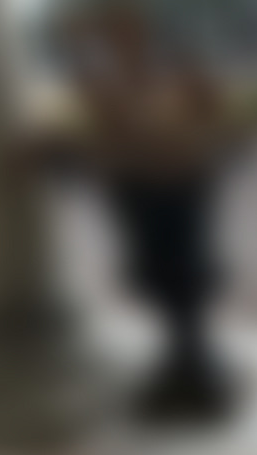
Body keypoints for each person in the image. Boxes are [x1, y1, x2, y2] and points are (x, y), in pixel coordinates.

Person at [60, 4, 237, 422]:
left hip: (182, 184)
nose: (123, 39)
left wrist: (205, 140)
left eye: (129, 30)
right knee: (149, 272)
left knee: (188, 271)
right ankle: (182, 358)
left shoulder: (181, 71)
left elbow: (214, 115)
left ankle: (193, 361)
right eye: (114, 33)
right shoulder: (102, 81)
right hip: (134, 188)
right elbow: (103, 129)